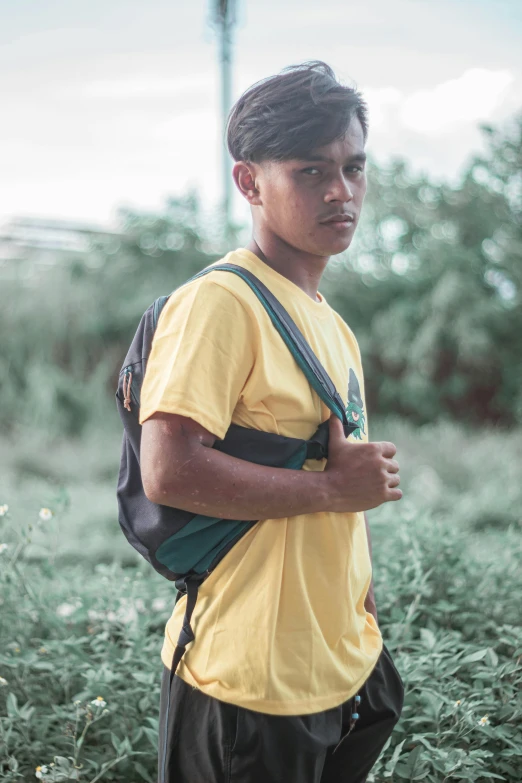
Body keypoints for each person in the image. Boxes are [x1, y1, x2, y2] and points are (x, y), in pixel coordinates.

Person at [139, 60, 405, 783]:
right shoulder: (221, 303)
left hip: (338, 668)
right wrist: (329, 491)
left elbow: (343, 492)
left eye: (354, 167)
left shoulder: (333, 326)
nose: (340, 190)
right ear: (249, 182)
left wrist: (366, 628)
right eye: (310, 170)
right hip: (245, 683)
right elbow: (167, 469)